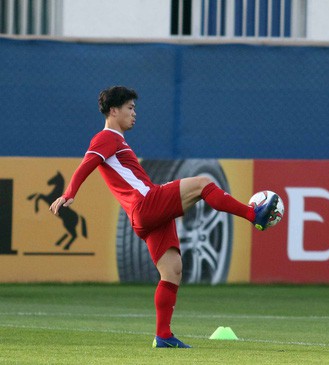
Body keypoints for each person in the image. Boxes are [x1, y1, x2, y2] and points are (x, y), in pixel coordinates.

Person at [49, 86, 278, 348]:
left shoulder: (117, 140)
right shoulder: (107, 137)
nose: (135, 113)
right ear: (113, 110)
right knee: (204, 183)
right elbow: (86, 164)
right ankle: (254, 215)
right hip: (147, 204)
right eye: (130, 108)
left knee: (172, 271)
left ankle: (163, 336)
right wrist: (69, 193)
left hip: (144, 216)